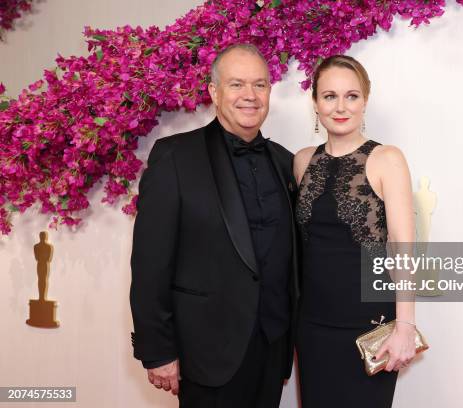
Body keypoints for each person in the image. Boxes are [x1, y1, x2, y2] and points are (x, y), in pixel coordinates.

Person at [130, 43, 299, 408]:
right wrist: (157, 350)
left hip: (272, 348)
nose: (250, 96)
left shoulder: (286, 163)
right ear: (213, 91)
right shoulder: (175, 156)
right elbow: (150, 262)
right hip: (206, 353)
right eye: (237, 84)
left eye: (260, 85)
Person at [293, 55, 417, 407]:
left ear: (365, 100)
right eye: (329, 96)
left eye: (352, 95)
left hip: (371, 328)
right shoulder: (302, 162)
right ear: (315, 103)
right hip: (313, 327)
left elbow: (403, 248)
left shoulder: (387, 158)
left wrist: (405, 326)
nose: (340, 106)